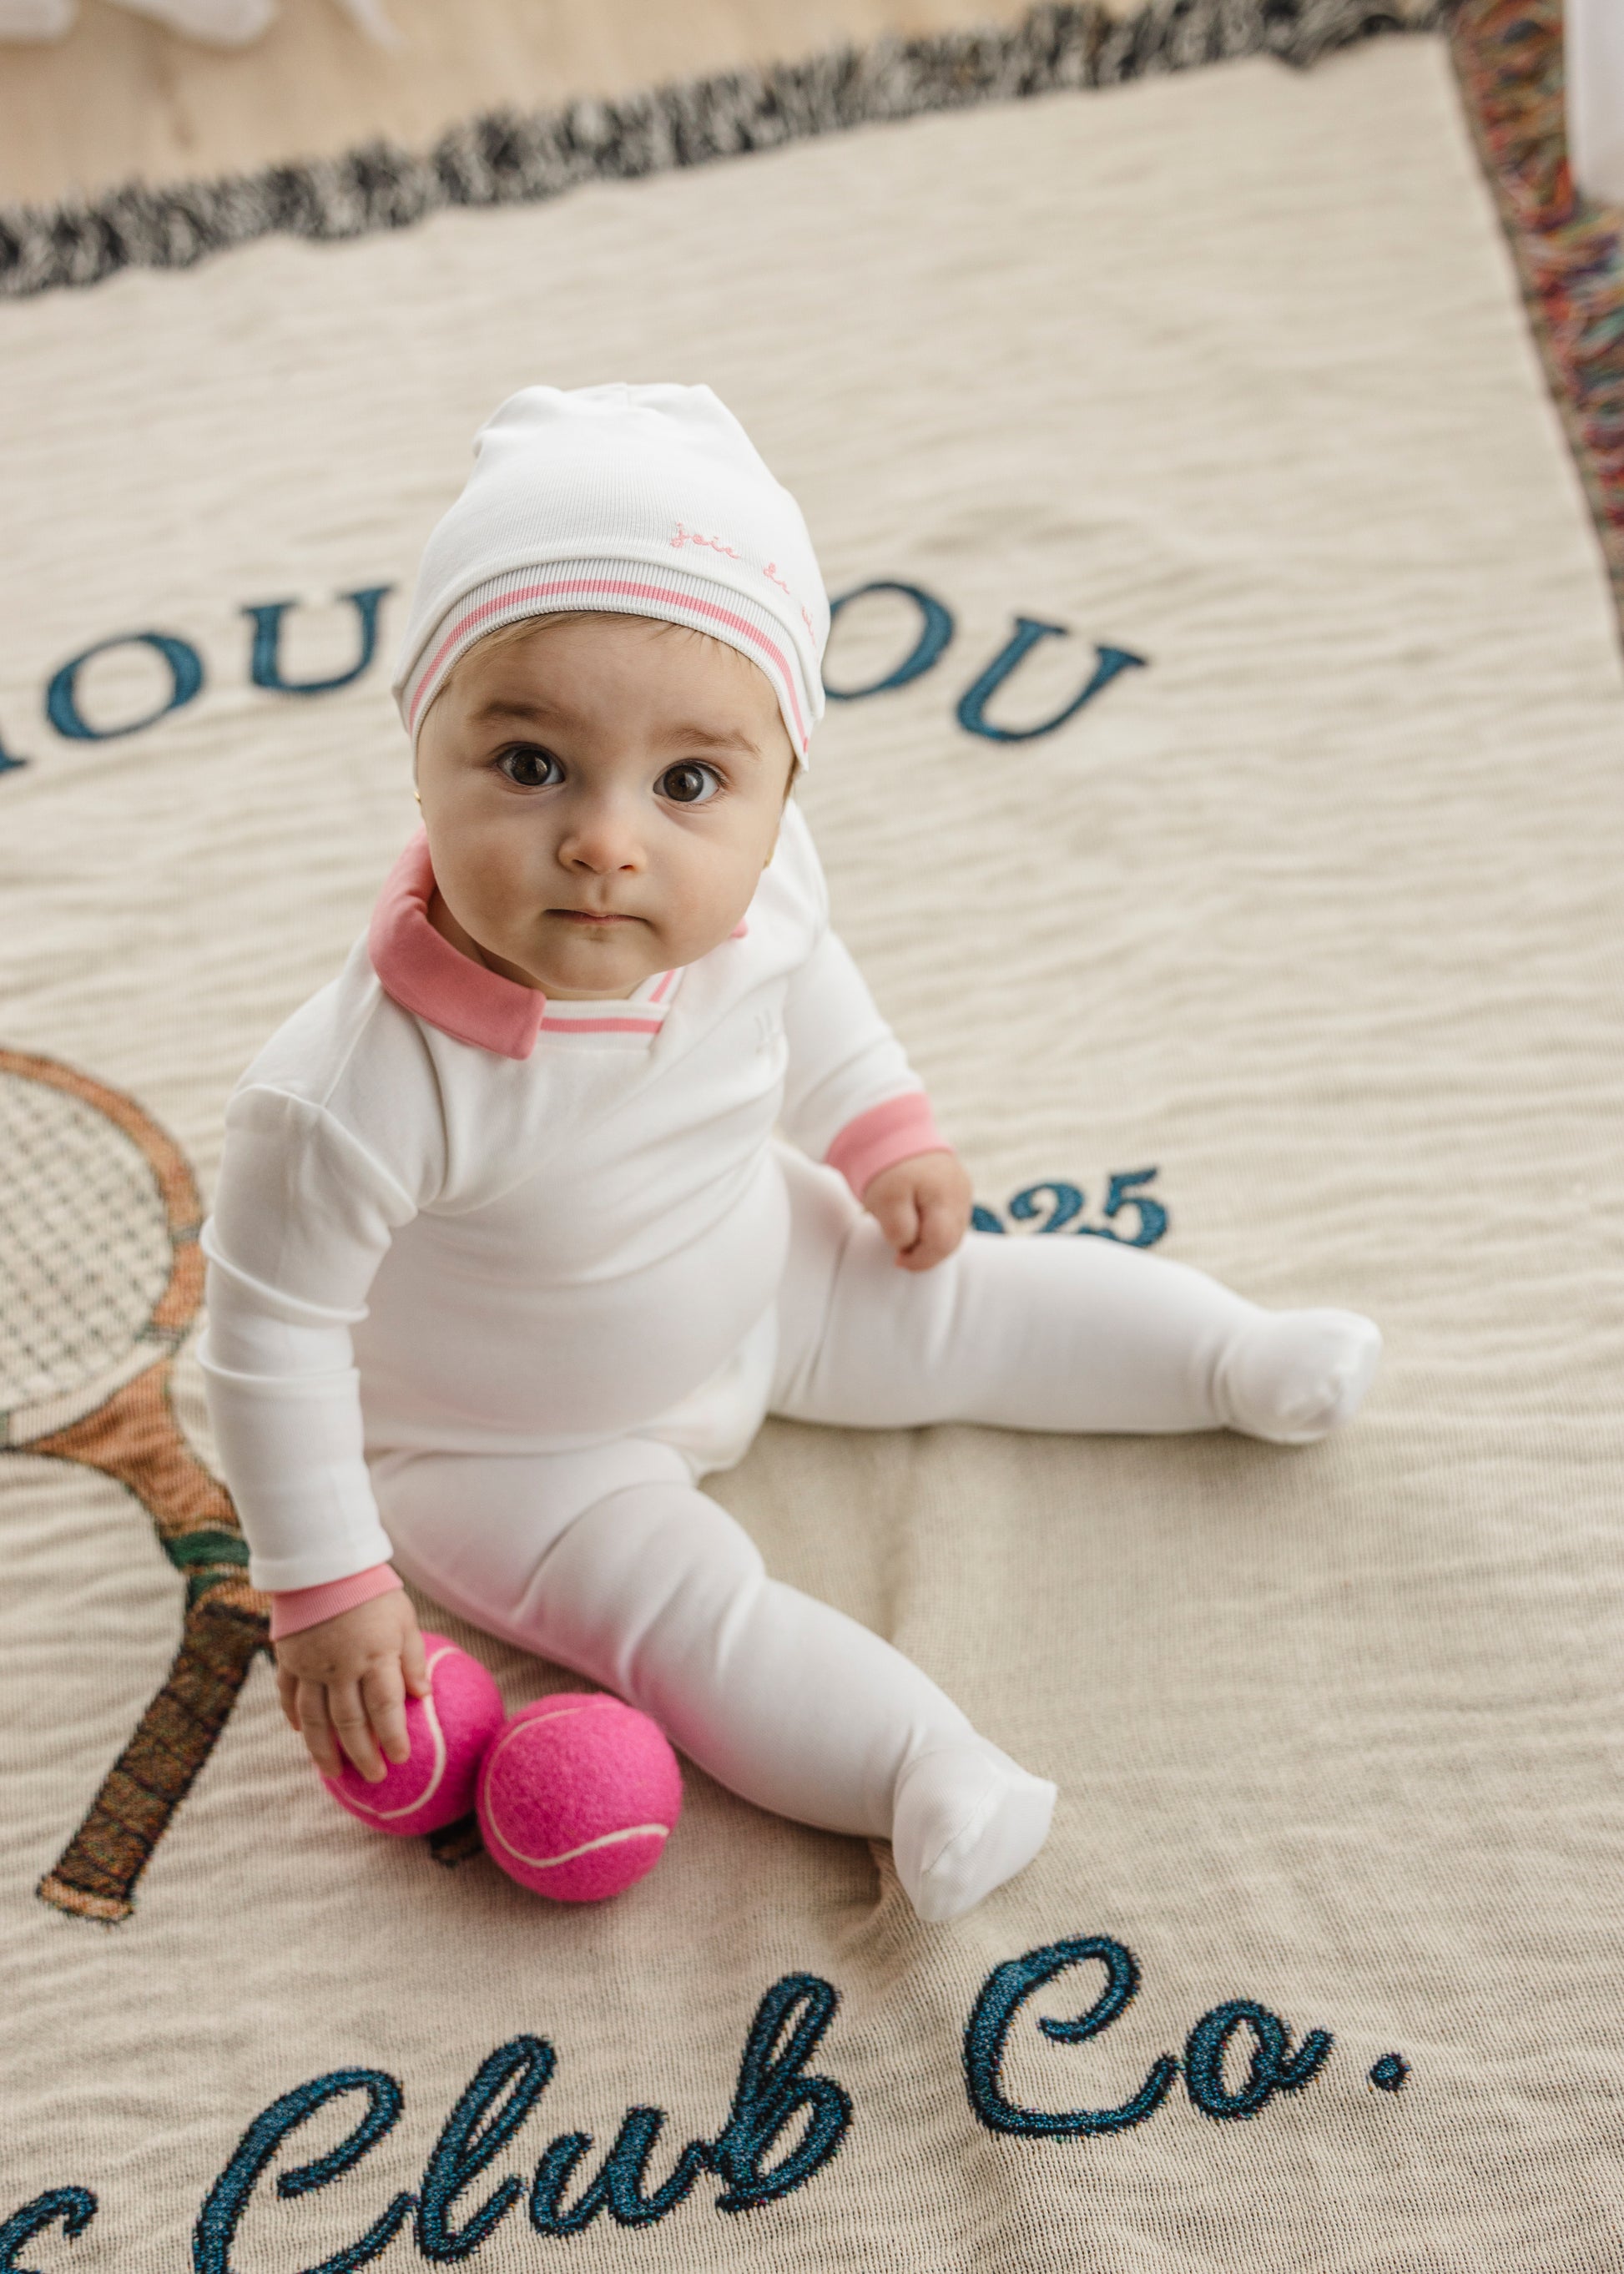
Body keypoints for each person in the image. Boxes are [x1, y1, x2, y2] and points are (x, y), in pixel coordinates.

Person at [199, 382, 1380, 1923]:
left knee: (971, 1299)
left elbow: (809, 977)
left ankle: (1231, 1356)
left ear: (776, 793)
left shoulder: (757, 889)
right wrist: (327, 1583)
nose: (609, 840)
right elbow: (271, 1342)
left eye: (689, 782)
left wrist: (878, 1118)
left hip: (760, 1264)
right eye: (533, 763)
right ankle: (921, 1772)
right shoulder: (351, 1091)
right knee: (692, 1616)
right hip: (513, 1453)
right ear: (420, 750)